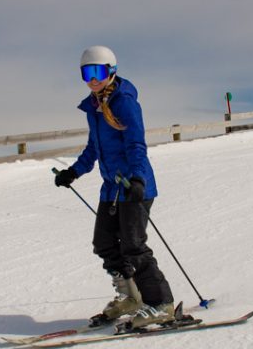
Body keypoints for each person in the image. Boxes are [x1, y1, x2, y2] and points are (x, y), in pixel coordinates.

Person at [53, 45, 176, 329]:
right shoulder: (94, 107)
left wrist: (137, 178)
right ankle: (131, 297)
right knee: (104, 244)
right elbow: (94, 149)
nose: (92, 79)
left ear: (111, 71)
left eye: (97, 71)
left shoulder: (124, 102)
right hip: (111, 189)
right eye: (86, 73)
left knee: (133, 246)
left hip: (134, 186)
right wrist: (73, 172)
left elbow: (136, 144)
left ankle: (161, 304)